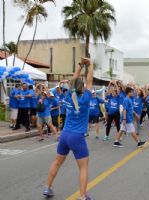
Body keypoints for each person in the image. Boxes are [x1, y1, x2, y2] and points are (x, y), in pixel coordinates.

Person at [43, 57, 94, 200]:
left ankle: (47, 187)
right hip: (77, 137)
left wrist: (80, 66)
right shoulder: (85, 99)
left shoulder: (68, 96)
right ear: (82, 88)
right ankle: (83, 196)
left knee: (57, 162)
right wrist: (90, 64)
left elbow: (74, 79)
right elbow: (89, 80)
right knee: (83, 167)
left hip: (65, 135)